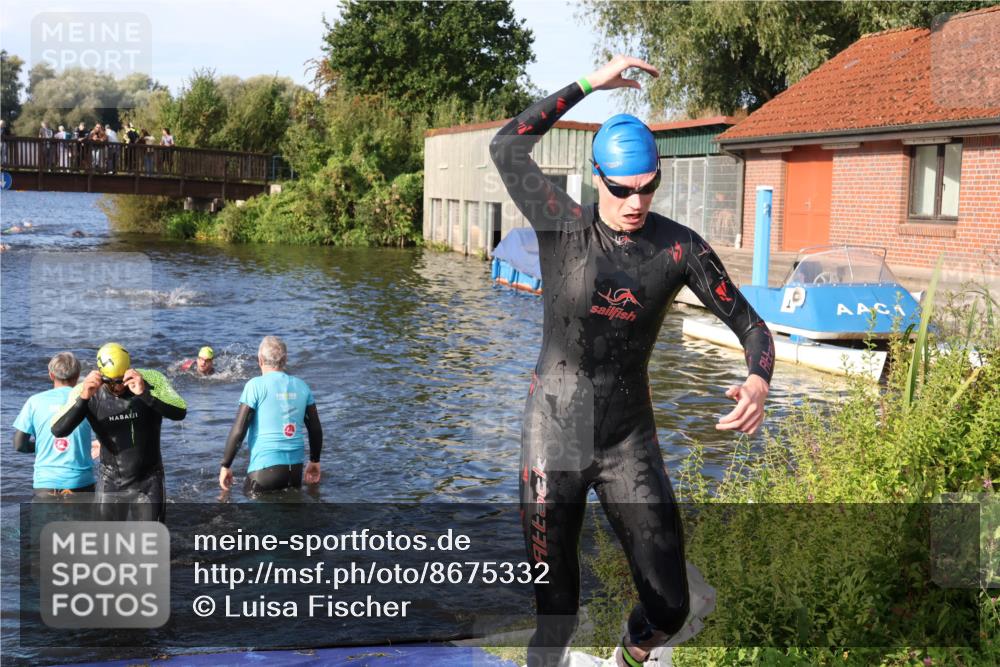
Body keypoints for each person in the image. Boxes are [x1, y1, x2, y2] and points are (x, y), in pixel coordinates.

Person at [490, 55, 775, 667]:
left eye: (648, 187)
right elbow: (506, 145)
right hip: (556, 432)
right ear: (598, 179)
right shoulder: (560, 226)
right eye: (622, 190)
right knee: (556, 617)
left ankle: (630, 655)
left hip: (627, 439)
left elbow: (751, 326)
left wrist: (758, 377)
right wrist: (591, 84)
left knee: (670, 607)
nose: (635, 202)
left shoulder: (678, 248)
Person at [51, 342, 187, 522]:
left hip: (149, 479)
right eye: (110, 381)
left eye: (121, 380)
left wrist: (145, 393)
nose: (117, 386)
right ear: (101, 374)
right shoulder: (87, 389)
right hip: (111, 480)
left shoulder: (152, 379)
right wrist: (83, 398)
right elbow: (59, 430)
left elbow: (180, 412)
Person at [219, 336, 322, 496]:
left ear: (259, 359)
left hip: (264, 470)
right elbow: (315, 428)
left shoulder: (255, 386)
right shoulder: (302, 386)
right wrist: (315, 461)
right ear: (285, 359)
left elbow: (239, 429)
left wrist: (226, 465)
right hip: (294, 470)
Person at [12, 353, 95, 501]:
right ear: (77, 376)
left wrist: (39, 446)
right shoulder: (89, 400)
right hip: (81, 482)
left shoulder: (35, 402)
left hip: (46, 484)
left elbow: (19, 445)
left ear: (51, 375)